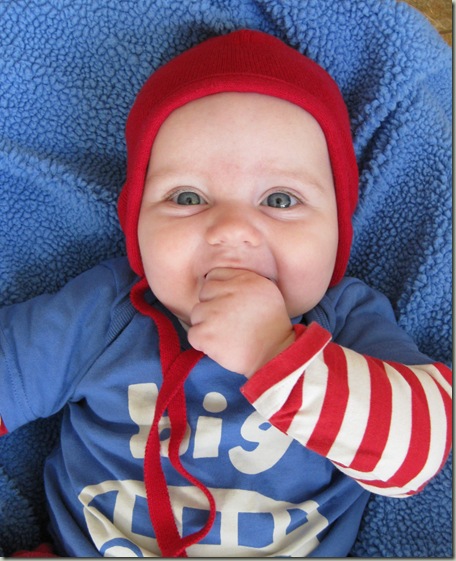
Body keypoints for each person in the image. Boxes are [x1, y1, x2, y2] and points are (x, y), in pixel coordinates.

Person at [0, 29, 451, 558]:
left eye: (280, 200)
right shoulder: (107, 311)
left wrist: (274, 351)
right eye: (187, 197)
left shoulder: (347, 321)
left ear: (337, 232)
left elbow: (419, 453)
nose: (232, 229)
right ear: (136, 225)